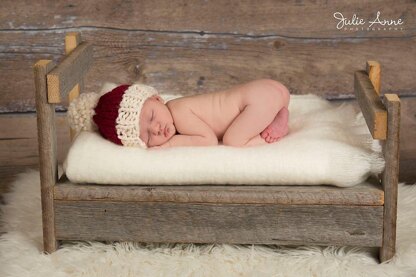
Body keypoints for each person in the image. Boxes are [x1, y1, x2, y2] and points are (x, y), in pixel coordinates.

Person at [70, 79, 290, 149]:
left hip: (254, 101)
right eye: (147, 136)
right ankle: (277, 111)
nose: (156, 128)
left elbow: (208, 140)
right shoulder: (171, 113)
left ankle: (273, 126)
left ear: (157, 99)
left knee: (233, 140)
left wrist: (168, 145)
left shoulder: (178, 111)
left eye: (152, 117)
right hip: (262, 92)